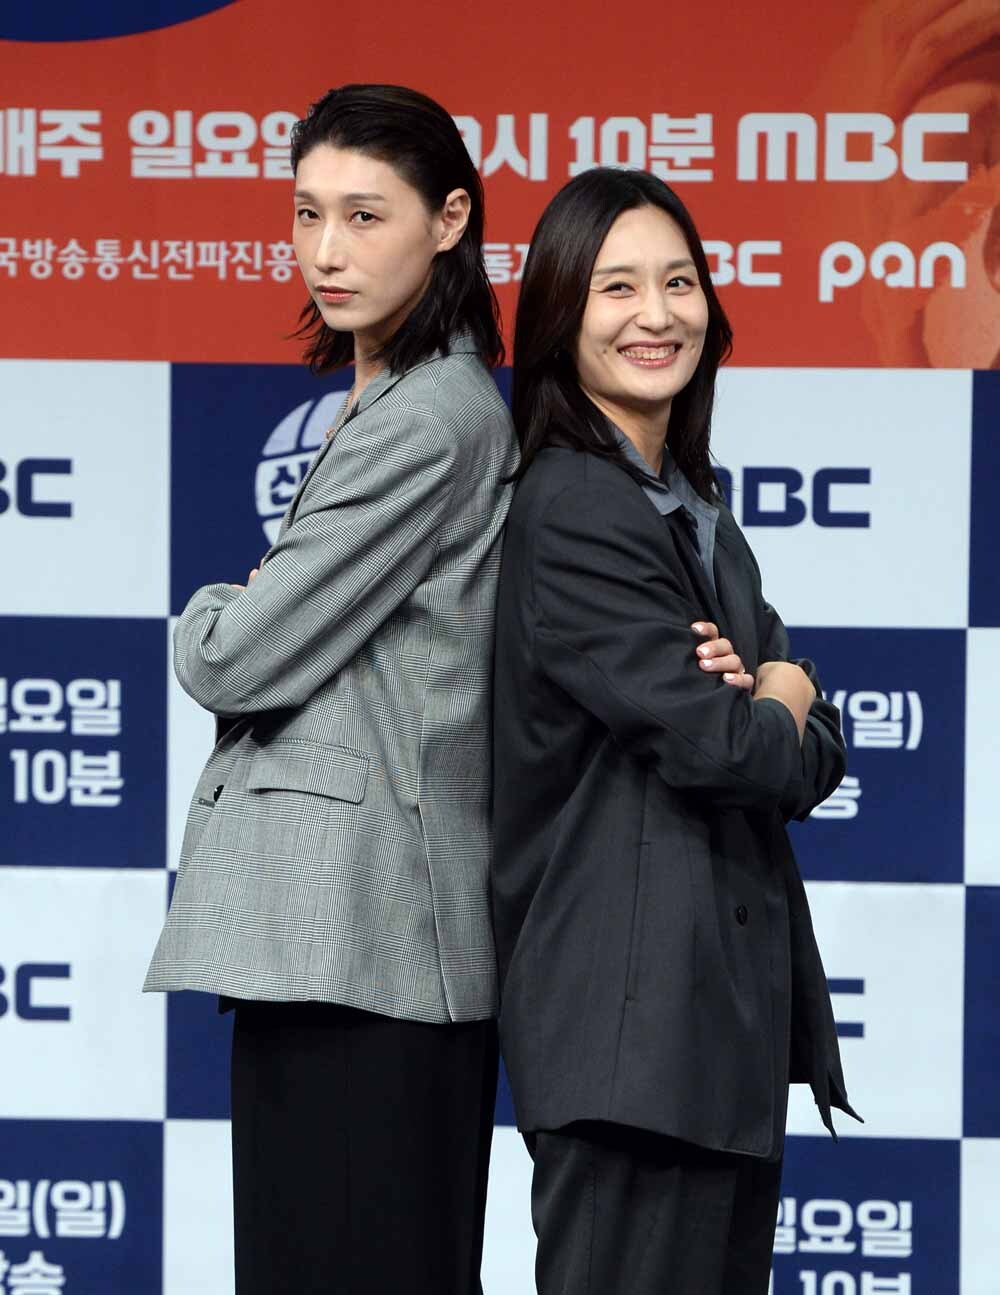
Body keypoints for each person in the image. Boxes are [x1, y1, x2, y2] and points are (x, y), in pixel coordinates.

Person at [145, 84, 518, 1295]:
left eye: (365, 215)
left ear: (450, 220)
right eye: (308, 212)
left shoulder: (428, 418)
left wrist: (215, 604)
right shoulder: (403, 398)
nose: (325, 249)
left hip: (368, 942)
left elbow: (232, 656)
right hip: (345, 941)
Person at [491, 167, 859, 1295]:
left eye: (679, 281)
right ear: (560, 316)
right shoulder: (576, 505)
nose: (656, 314)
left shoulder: (694, 508)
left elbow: (811, 739)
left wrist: (776, 694)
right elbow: (733, 748)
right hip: (631, 1048)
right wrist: (775, 696)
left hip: (709, 1043)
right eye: (616, 287)